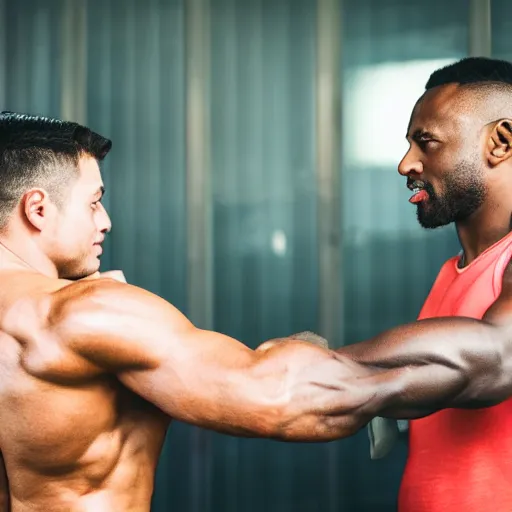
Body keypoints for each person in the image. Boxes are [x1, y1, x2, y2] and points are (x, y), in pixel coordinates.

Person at [0, 111, 364, 511]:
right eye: (94, 203)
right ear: (37, 208)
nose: (105, 221)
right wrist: (384, 379)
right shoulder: (88, 310)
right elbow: (276, 397)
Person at [333, 57, 512, 512]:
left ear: (501, 142)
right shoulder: (451, 272)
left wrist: (335, 363)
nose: (405, 163)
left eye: (425, 143)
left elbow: (499, 355)